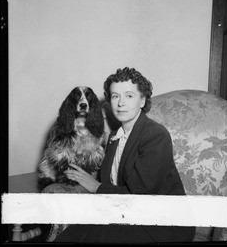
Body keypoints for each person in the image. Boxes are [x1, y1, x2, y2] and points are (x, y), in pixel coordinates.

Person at [54, 67, 195, 243]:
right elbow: (110, 185)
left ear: (142, 101)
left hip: (162, 225)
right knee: (70, 236)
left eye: (129, 95)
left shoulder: (156, 135)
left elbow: (139, 196)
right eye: (115, 96)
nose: (121, 103)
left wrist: (96, 187)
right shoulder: (114, 136)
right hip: (126, 215)